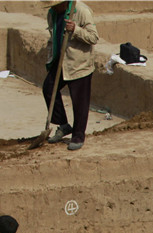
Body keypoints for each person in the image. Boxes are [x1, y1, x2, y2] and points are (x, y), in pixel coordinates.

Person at [43, 0, 98, 151]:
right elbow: (52, 38)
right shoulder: (52, 14)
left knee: (79, 102)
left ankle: (78, 135)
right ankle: (63, 124)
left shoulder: (81, 11)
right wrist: (50, 59)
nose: (53, 7)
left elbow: (93, 38)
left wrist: (76, 29)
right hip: (60, 62)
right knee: (48, 88)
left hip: (78, 64)